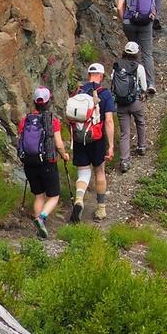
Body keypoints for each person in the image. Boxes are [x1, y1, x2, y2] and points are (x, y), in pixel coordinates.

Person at [65, 64, 116, 222]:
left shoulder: (78, 92)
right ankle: (101, 209)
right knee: (99, 171)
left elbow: (69, 118)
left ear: (89, 75)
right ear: (100, 76)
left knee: (83, 172)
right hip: (97, 138)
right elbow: (108, 121)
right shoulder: (105, 94)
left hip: (80, 138)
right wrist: (111, 145)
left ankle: (79, 200)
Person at [16, 87, 69, 238]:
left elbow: (20, 140)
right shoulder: (52, 120)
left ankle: (39, 230)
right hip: (47, 162)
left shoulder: (25, 120)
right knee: (54, 196)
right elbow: (58, 144)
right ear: (48, 102)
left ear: (34, 102)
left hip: (29, 163)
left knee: (39, 196)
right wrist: (64, 155)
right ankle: (41, 218)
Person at [115, 0, 159, 94]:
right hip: (146, 24)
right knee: (147, 54)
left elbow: (119, 8)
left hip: (129, 23)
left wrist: (124, 20)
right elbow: (153, 10)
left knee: (133, 51)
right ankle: (150, 83)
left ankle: (135, 81)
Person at [112, 42, 149, 172]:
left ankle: (124, 160)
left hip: (121, 104)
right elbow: (144, 87)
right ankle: (141, 146)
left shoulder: (117, 65)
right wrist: (143, 94)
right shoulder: (139, 67)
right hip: (135, 102)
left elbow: (113, 82)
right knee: (140, 122)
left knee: (124, 133)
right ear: (136, 53)